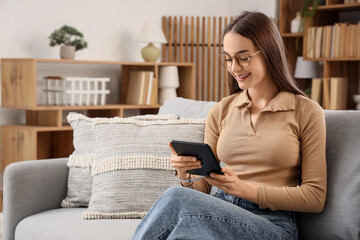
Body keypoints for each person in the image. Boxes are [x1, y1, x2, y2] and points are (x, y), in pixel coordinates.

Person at [132, 11, 326, 240]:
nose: (234, 68)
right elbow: (202, 189)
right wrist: (185, 174)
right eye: (228, 58)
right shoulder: (222, 110)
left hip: (271, 225)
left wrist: (242, 189)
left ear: (270, 53)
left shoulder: (306, 111)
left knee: (176, 198)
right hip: (220, 211)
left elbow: (315, 197)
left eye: (243, 57)